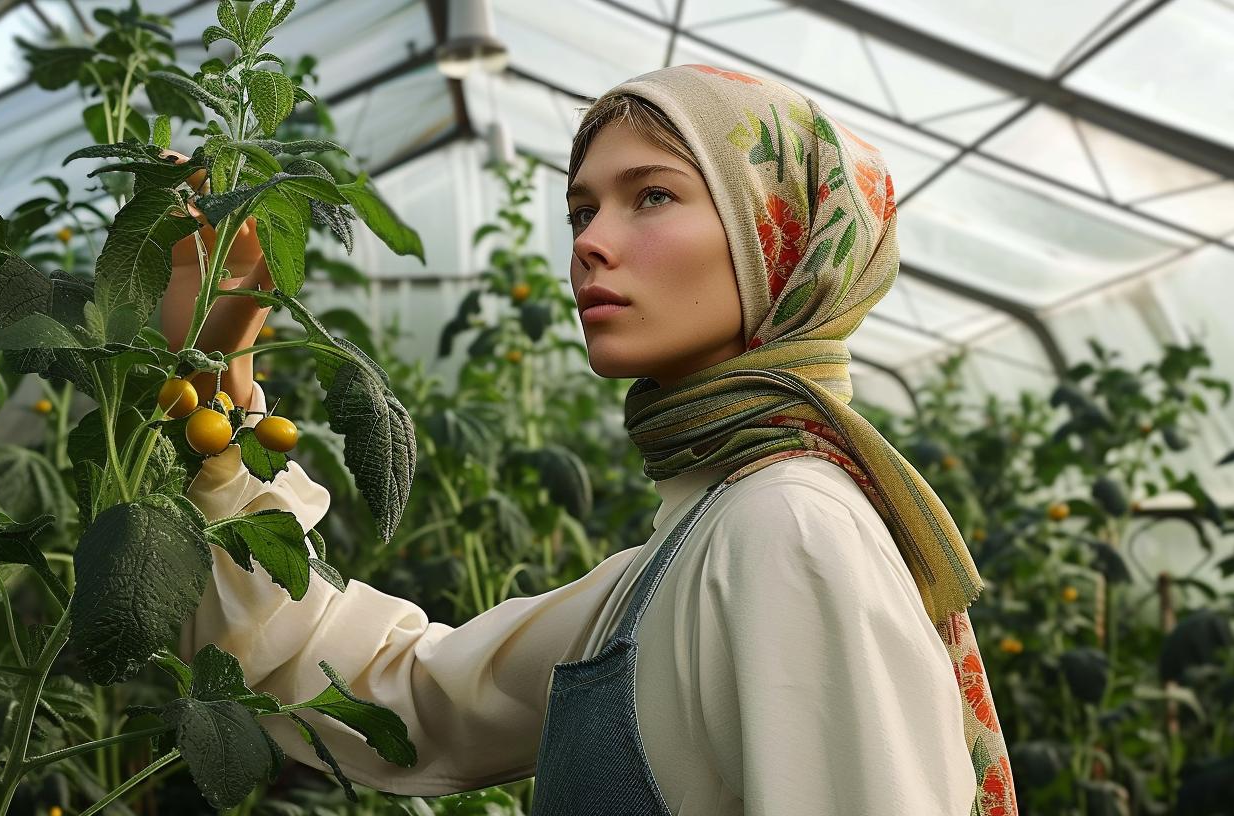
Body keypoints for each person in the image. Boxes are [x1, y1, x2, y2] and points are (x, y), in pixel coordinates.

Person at [168, 63, 1017, 815]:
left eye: (653, 195)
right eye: (582, 210)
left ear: (781, 236)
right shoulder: (707, 532)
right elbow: (401, 697)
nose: (589, 245)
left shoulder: (785, 526)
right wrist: (218, 385)